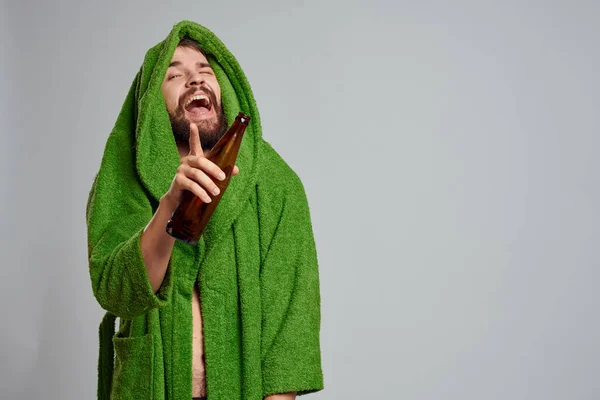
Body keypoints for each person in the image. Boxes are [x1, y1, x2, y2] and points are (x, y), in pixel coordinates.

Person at [86, 20, 324, 400]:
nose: (194, 81)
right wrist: (169, 206)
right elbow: (116, 291)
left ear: (223, 90)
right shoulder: (122, 178)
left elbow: (290, 325)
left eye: (205, 72)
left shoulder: (277, 184)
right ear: (151, 105)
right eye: (174, 75)